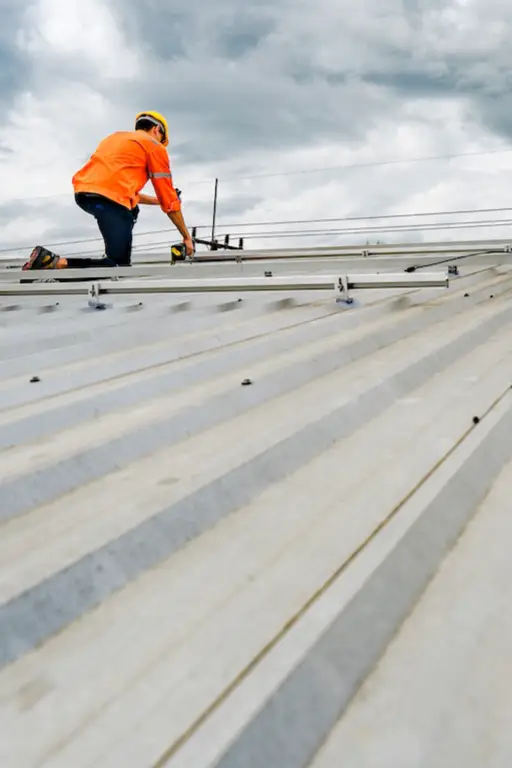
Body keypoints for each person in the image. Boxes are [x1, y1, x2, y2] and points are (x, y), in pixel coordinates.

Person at [22, 111, 194, 271]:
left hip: (85, 194)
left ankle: (94, 259)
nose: (161, 144)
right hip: (110, 201)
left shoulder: (115, 138)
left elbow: (120, 190)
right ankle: (53, 262)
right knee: (119, 266)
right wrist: (186, 237)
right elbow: (170, 202)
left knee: (129, 218)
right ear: (156, 129)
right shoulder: (154, 146)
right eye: (162, 139)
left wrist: (157, 201)